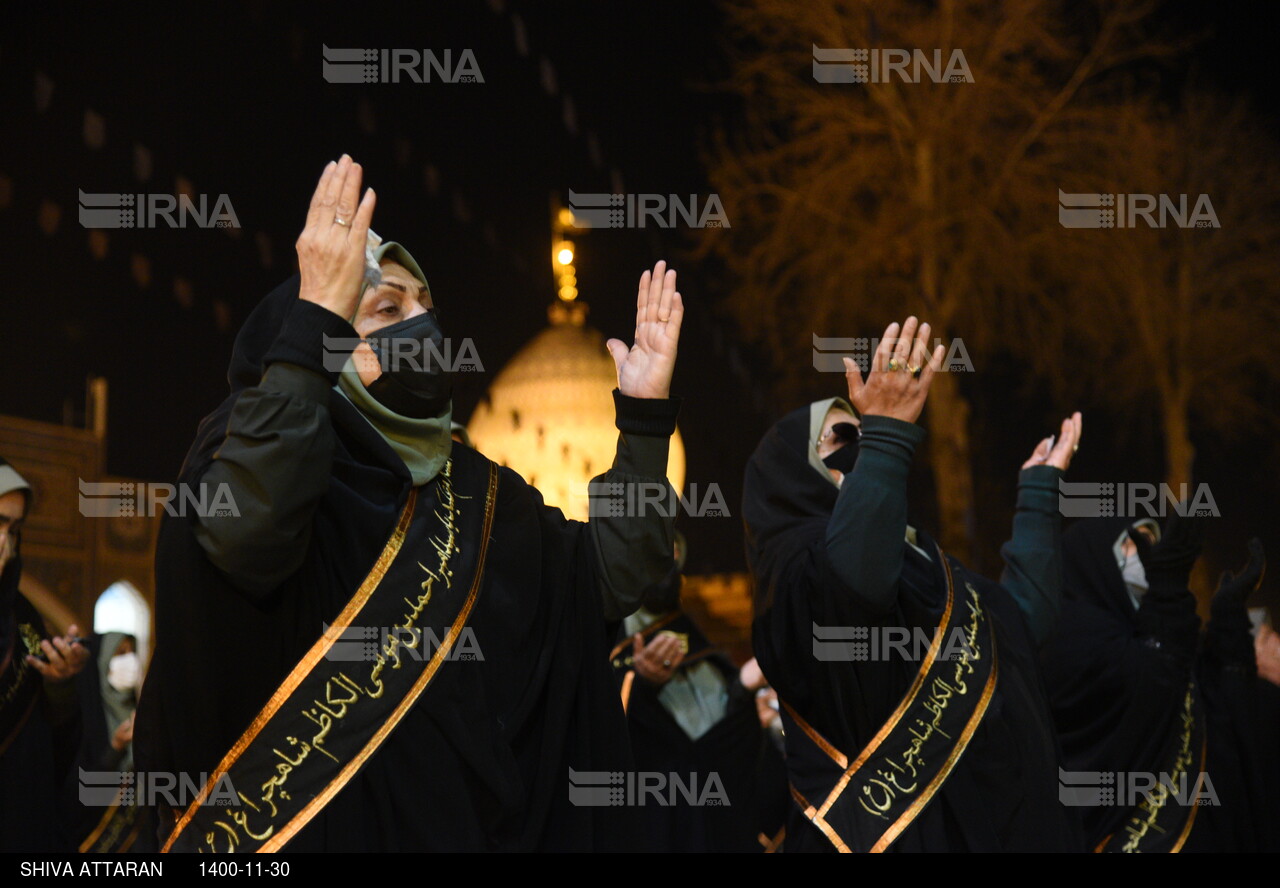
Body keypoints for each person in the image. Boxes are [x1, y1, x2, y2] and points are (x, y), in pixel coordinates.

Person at [134, 156, 685, 851]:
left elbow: (605, 583)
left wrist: (641, 423)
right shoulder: (256, 448)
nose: (421, 326)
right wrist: (309, 331)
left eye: (425, 305)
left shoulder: (482, 494)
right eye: (388, 308)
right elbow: (250, 533)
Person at [745, 318, 1085, 852]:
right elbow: (853, 590)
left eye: (860, 432)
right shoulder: (797, 577)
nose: (856, 443)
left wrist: (1039, 495)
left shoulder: (922, 563)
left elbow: (1021, 625)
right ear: (794, 473)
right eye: (839, 435)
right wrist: (885, 433)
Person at [1042, 520, 1268, 851]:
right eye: (1132, 543)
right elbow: (1148, 694)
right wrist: (1168, 600)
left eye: (1153, 544)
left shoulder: (1156, 630)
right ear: (1095, 558)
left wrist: (1228, 632)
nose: (1146, 555)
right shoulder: (1069, 635)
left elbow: (1215, 713)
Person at [609, 533, 788, 851]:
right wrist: (640, 684)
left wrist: (743, 689)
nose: (668, 567)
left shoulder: (701, 647)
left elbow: (721, 749)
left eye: (673, 558)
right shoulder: (608, 641)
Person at [0, 457, 89, 851]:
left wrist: (60, 686)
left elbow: (48, 755)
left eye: (13, 528)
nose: (4, 541)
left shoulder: (24, 622)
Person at [67, 631, 155, 852]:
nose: (130, 660)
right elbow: (77, 799)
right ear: (103, 660)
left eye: (132, 652)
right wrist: (115, 749)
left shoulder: (142, 712)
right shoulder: (84, 715)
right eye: (120, 653)